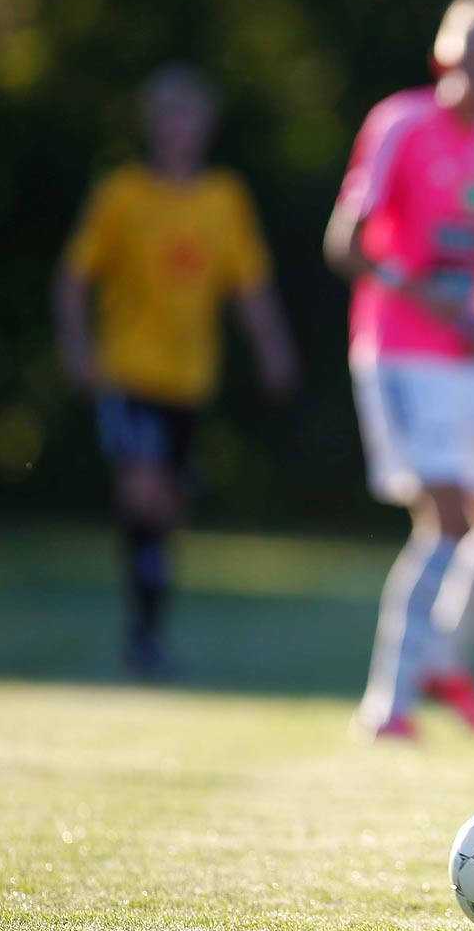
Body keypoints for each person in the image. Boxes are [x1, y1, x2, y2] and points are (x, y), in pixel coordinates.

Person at [326, 0, 474, 743]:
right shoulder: (401, 122)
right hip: (400, 352)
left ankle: (443, 660)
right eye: (467, 56)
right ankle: (387, 706)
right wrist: (426, 297)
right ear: (442, 54)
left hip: (468, 363)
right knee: (446, 521)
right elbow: (346, 245)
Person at [55, 63, 298, 679]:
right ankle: (143, 641)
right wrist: (79, 349)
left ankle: (148, 631)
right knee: (143, 489)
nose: (178, 129)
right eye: (168, 116)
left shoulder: (224, 200)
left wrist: (272, 347)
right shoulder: (124, 194)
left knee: (164, 509)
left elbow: (250, 285)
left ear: (206, 127)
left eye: (189, 116)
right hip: (128, 375)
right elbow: (74, 278)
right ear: (151, 124)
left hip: (190, 381)